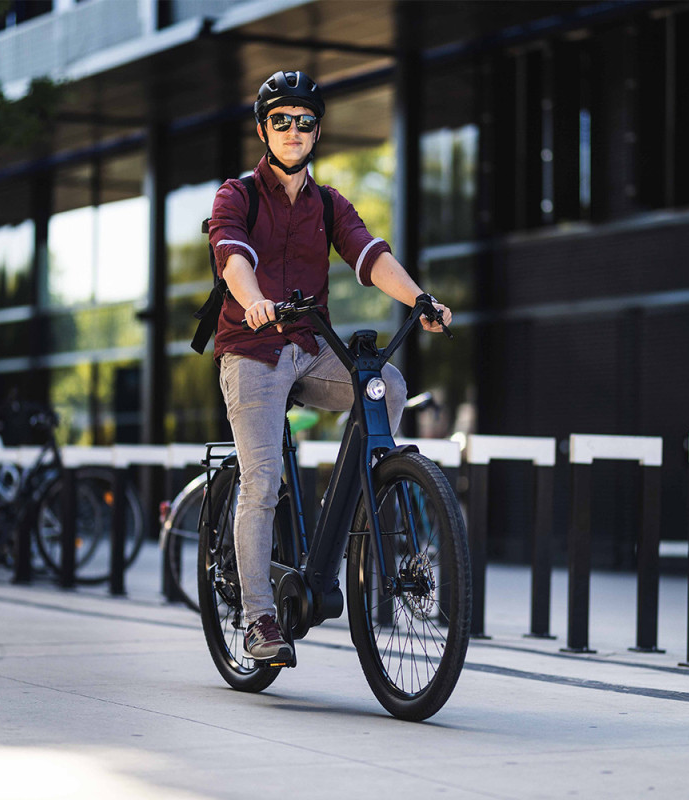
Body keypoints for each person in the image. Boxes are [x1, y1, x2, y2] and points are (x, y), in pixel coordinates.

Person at [208, 70, 451, 663]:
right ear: (264, 130)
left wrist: (420, 299)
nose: (294, 130)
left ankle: (361, 501)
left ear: (317, 132)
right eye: (282, 121)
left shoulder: (328, 202)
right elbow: (232, 257)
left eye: (305, 122)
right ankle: (258, 616)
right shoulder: (236, 195)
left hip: (310, 347)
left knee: (385, 385)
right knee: (262, 481)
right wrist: (253, 299)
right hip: (251, 347)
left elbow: (370, 255)